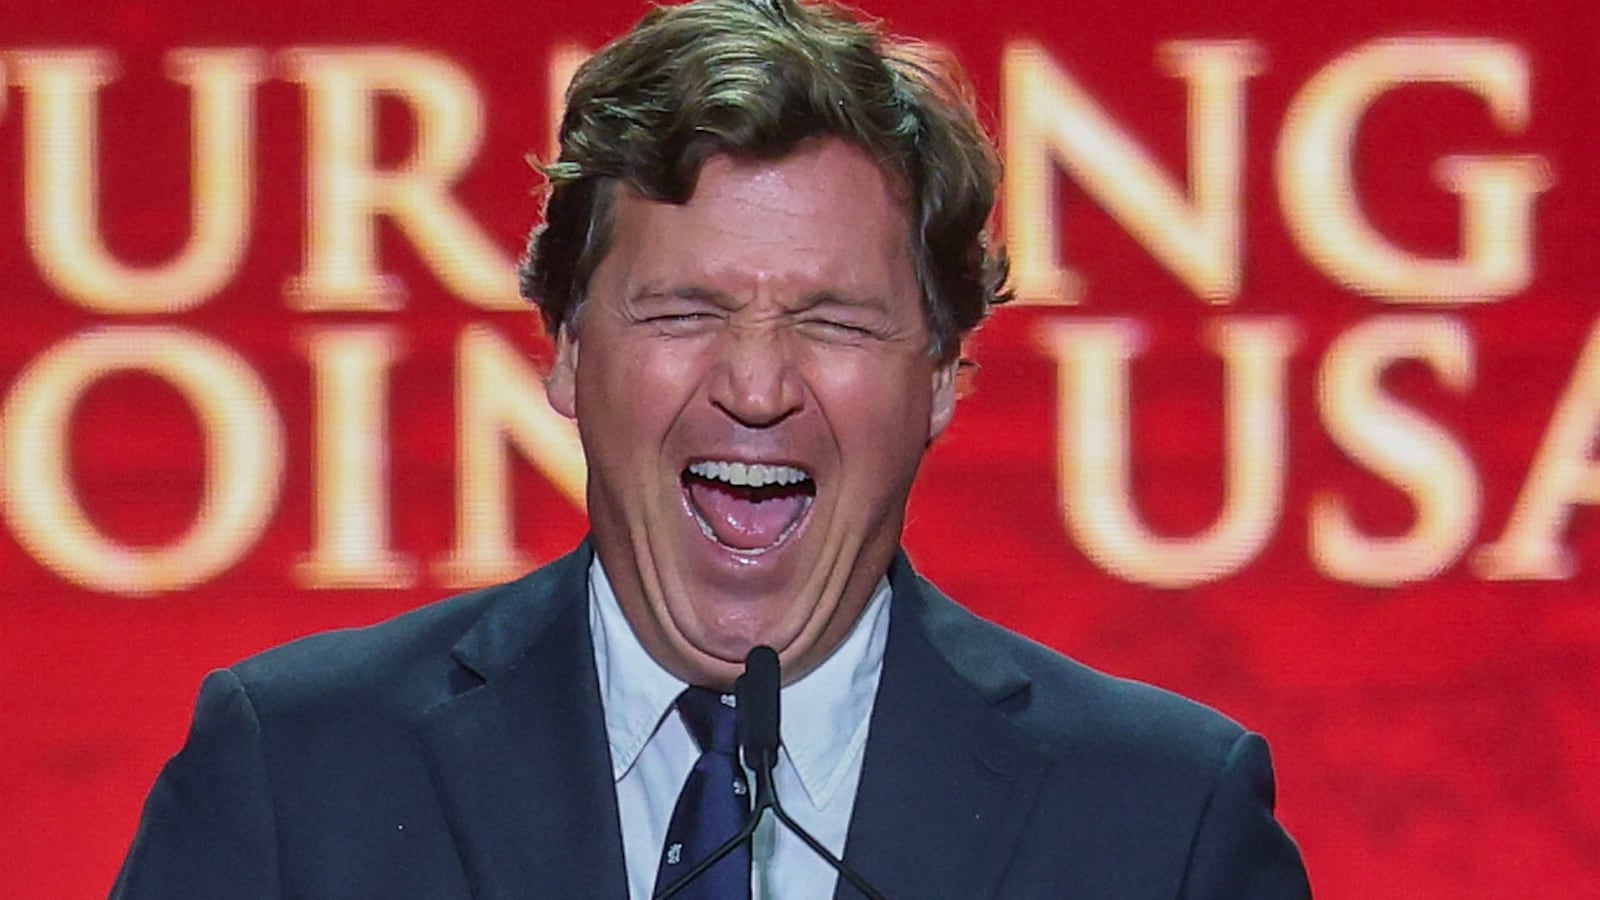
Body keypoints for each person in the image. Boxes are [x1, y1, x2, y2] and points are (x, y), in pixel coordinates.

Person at [112, 1, 1311, 897]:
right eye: (682, 311)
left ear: (942, 377)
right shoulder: (296, 775)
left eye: (832, 320)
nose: (753, 385)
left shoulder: (1162, 824)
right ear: (569, 352)